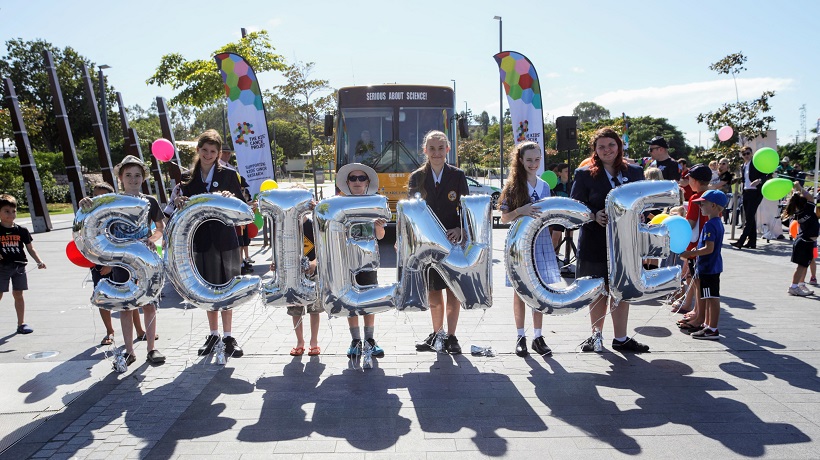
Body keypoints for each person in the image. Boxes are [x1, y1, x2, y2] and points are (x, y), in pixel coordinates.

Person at [80, 156, 166, 364]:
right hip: (121, 261)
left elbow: (160, 227)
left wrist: (152, 239)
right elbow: (96, 222)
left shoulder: (150, 201)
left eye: (137, 175)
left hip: (146, 261)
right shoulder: (113, 202)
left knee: (149, 305)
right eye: (128, 175)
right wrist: (85, 205)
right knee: (125, 305)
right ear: (120, 178)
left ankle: (151, 348)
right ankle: (129, 351)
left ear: (143, 178)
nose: (133, 180)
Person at [570, 127, 649, 353]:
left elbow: (643, 200)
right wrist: (594, 214)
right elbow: (576, 205)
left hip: (625, 243)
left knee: (621, 289)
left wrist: (641, 212)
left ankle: (621, 338)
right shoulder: (584, 174)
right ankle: (596, 336)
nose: (607, 150)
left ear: (619, 146)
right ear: (595, 149)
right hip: (595, 242)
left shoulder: (634, 172)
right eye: (601, 146)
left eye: (611, 145)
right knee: (598, 290)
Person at [175, 129, 247, 358]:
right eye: (204, 150)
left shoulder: (228, 175)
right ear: (197, 150)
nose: (208, 155)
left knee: (227, 286)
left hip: (226, 239)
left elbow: (243, 206)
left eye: (212, 151)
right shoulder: (186, 178)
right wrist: (178, 201)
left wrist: (230, 198)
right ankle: (213, 333)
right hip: (201, 240)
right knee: (207, 288)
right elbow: (175, 209)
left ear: (218, 154)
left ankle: (228, 336)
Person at [409, 130, 469, 354]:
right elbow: (412, 213)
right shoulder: (417, 177)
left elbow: (466, 210)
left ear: (448, 150)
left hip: (453, 243)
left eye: (440, 148)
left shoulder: (458, 176)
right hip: (429, 246)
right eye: (432, 148)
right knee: (434, 291)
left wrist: (460, 230)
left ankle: (452, 337)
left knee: (453, 290)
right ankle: (438, 334)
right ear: (425, 150)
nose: (436, 153)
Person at [498, 141, 560, 357]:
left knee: (538, 290)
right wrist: (520, 211)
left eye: (537, 159)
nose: (533, 164)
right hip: (519, 242)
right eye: (529, 160)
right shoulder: (513, 185)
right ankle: (519, 336)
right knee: (520, 290)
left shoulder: (544, 186)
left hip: (540, 241)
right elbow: (503, 217)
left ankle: (538, 336)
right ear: (521, 161)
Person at [336, 163, 387, 359]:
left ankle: (370, 340)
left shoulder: (375, 203)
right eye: (353, 178)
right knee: (350, 300)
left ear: (367, 182)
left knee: (369, 298)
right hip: (346, 260)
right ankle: (355, 341)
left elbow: (381, 236)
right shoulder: (339, 203)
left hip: (367, 260)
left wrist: (379, 226)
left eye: (361, 178)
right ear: (347, 182)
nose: (357, 182)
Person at [88, 182, 149, 347]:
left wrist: (112, 263)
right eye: (95, 195)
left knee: (128, 295)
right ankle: (109, 331)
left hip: (118, 262)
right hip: (98, 263)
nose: (98, 199)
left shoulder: (116, 213)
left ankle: (140, 330)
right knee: (102, 296)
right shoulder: (89, 215)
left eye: (102, 195)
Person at [680, 190, 727, 340]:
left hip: (709, 268)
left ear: (713, 205)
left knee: (712, 298)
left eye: (703, 203)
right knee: (709, 297)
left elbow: (709, 248)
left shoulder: (710, 225)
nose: (700, 206)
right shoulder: (716, 222)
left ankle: (712, 328)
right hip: (711, 267)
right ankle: (708, 325)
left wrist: (690, 254)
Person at [0, 194, 46, 335]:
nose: (11, 214)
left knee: (18, 294)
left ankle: (21, 323)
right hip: (2, 268)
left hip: (19, 267)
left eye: (13, 211)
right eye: (7, 211)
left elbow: (30, 248)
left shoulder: (22, 231)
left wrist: (39, 261)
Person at [283, 211, 322, 356]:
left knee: (315, 309)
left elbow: (322, 247)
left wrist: (315, 262)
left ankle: (314, 342)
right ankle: (300, 342)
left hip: (313, 273)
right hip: (293, 274)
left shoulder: (313, 225)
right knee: (295, 310)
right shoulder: (288, 226)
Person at [218, 149, 254, 274]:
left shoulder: (231, 171)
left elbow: (238, 197)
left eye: (229, 153)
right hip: (219, 217)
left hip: (232, 217)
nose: (228, 155)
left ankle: (240, 264)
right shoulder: (216, 168)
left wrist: (242, 216)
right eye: (225, 152)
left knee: (239, 242)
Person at [783, 182, 818, 296]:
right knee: (801, 266)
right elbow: (810, 197)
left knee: (804, 265)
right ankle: (793, 287)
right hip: (804, 242)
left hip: (804, 241)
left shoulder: (798, 212)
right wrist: (800, 188)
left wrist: (796, 192)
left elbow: (808, 198)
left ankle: (801, 284)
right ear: (805, 204)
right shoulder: (808, 209)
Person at [732, 146, 770, 249]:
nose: (746, 156)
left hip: (755, 193)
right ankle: (752, 242)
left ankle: (741, 240)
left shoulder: (755, 163)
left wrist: (759, 181)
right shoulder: (743, 165)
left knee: (749, 219)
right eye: (744, 154)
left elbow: (767, 174)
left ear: (751, 153)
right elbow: (745, 179)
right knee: (750, 218)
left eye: (748, 153)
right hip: (746, 192)